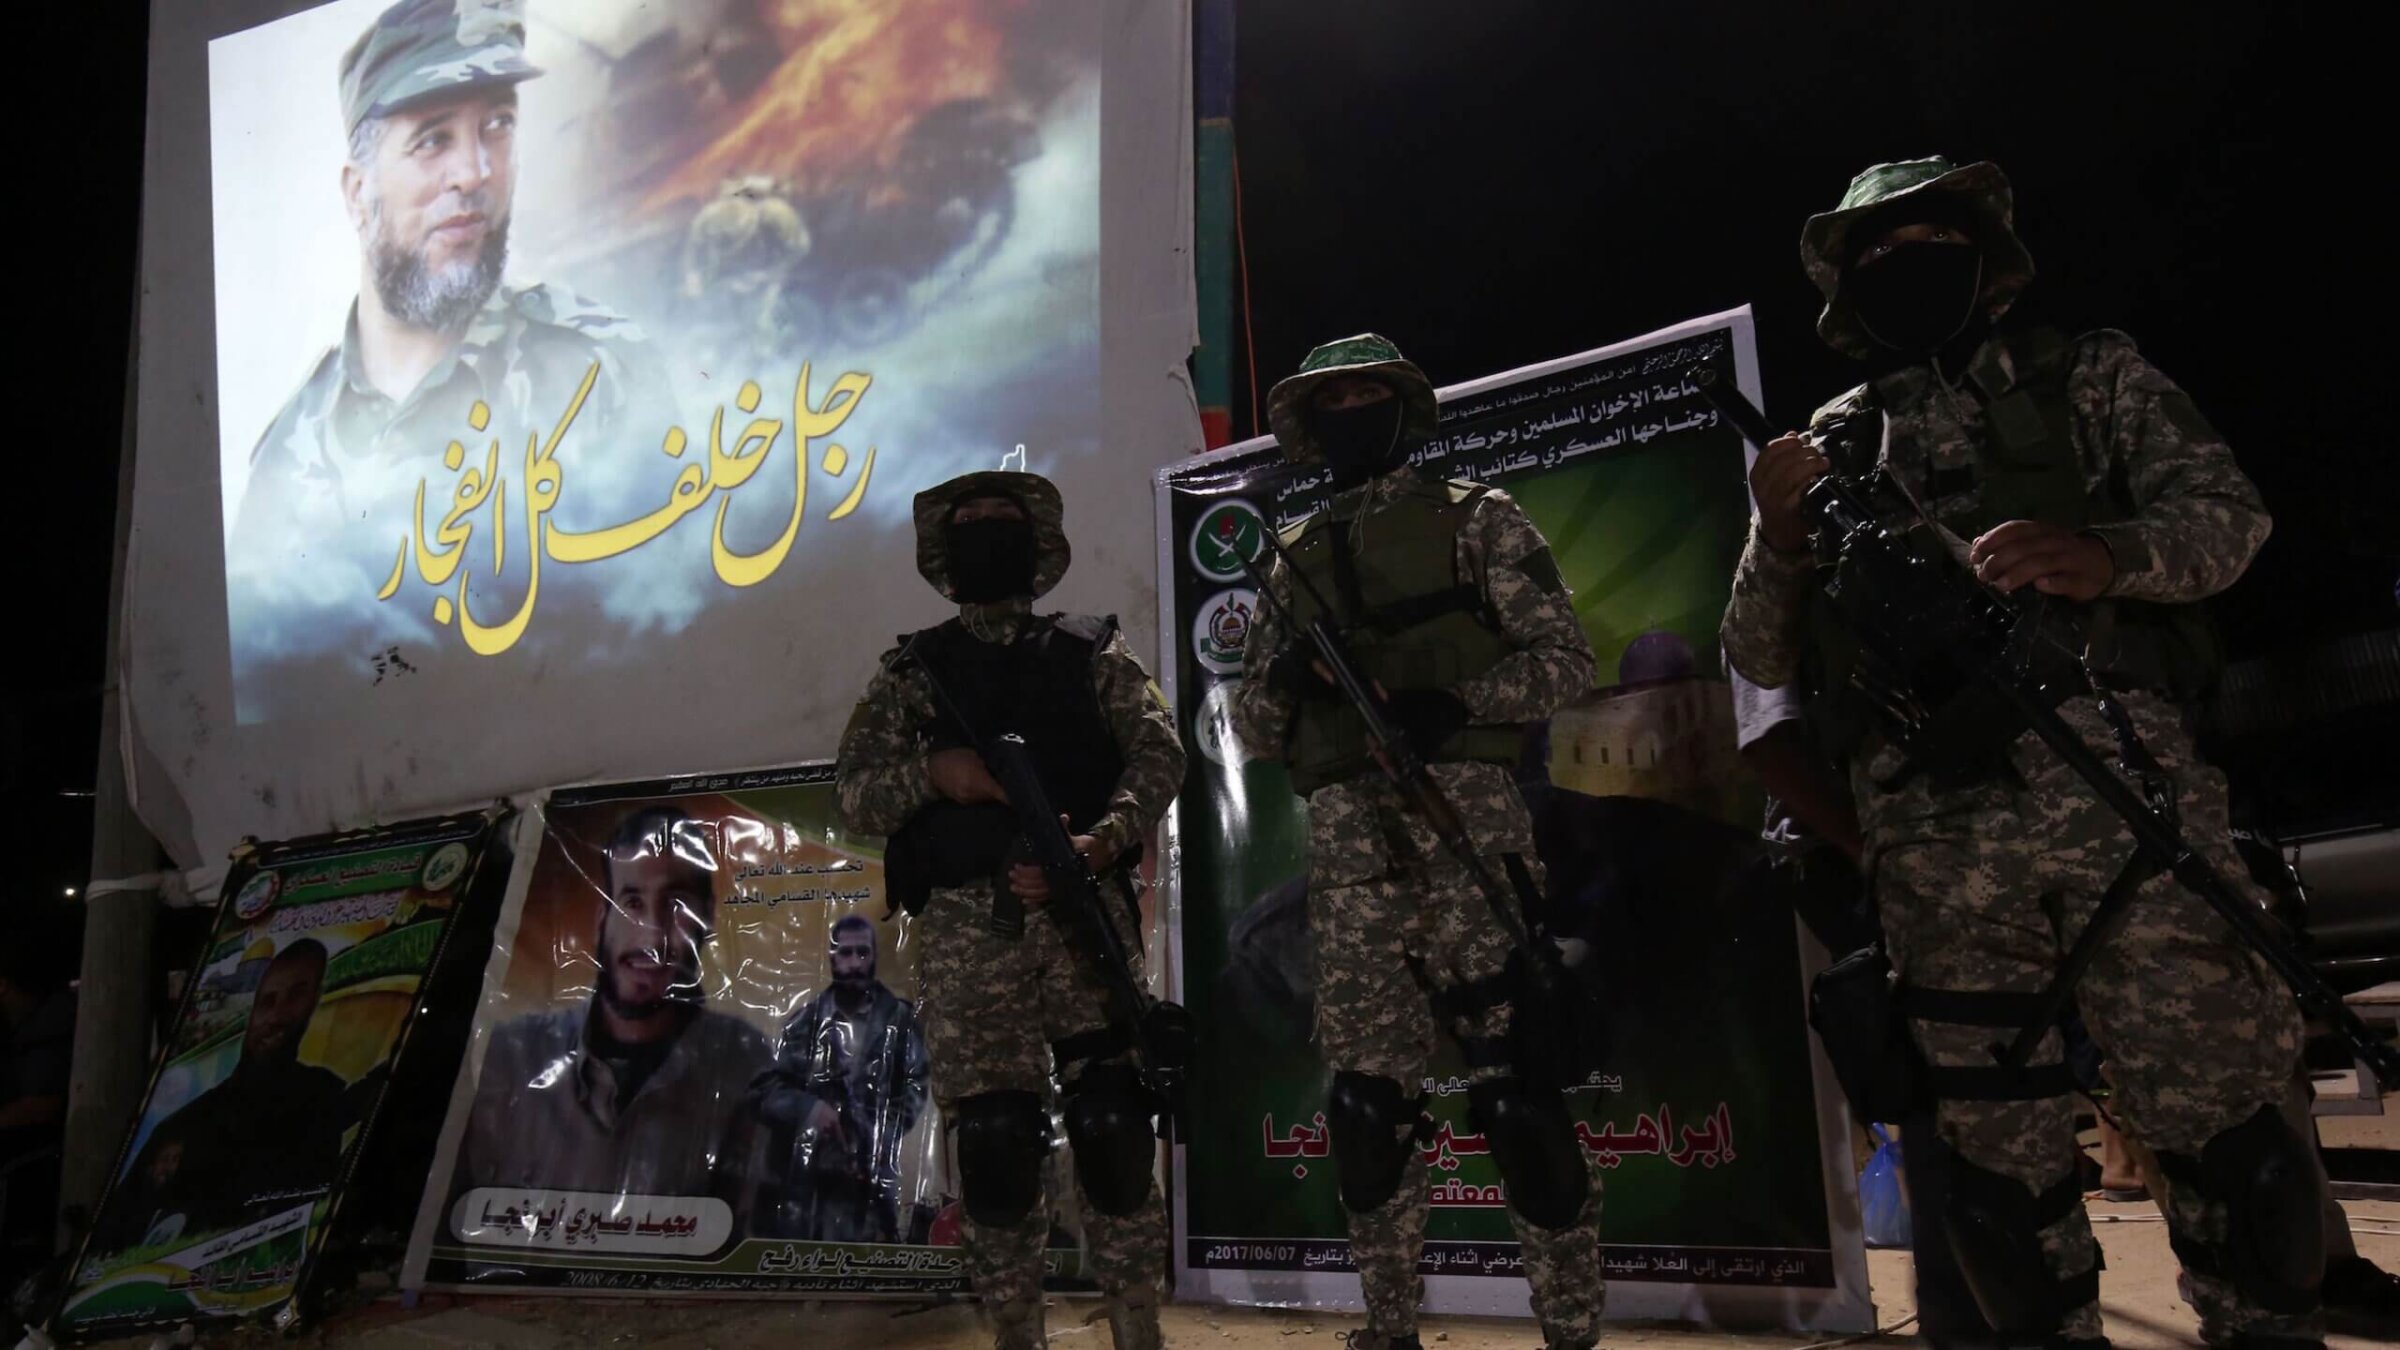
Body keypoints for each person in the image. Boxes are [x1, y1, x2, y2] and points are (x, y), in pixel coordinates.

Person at [1723, 157, 2326, 1348]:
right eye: (1877, 258)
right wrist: (1781, 538)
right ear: (1845, 290)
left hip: (2125, 803)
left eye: (1929, 242)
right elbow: (1752, 649)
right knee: (1997, 1185)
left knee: (2232, 1147)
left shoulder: (2090, 374)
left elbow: (2231, 520)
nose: (1905, 269)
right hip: (1938, 849)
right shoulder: (1832, 446)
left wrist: (2105, 554)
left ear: (1985, 258)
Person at [1229, 335, 1606, 1350]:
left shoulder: (1476, 517)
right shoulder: (1288, 556)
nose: (1353, 410)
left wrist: (1459, 702)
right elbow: (1253, 733)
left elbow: (1567, 658)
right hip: (1351, 856)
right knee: (1365, 1108)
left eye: (1368, 395)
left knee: (1519, 1094)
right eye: (1333, 400)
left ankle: (1571, 1327)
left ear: (1400, 408)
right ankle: (1389, 1326)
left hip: (1469, 832)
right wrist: (1286, 686)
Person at [836, 470, 1184, 1350]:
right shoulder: (914, 674)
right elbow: (857, 793)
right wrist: (935, 776)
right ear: (945, 553)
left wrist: (1100, 843)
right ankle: (1016, 1334)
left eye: (1004, 520)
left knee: (1111, 1125)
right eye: (971, 523)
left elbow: (1159, 753)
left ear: (1037, 546)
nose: (988, 533)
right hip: (964, 930)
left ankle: (1138, 1328)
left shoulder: (1091, 653)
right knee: (994, 1141)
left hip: (1080, 916)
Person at [229, 0, 669, 589]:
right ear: (358, 194)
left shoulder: (602, 368)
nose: (474, 172)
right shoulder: (288, 462)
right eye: (433, 140)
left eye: (498, 125)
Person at [454, 808, 770, 1206]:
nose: (651, 934)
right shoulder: (508, 1060)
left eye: (676, 905)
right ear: (602, 919)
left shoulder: (748, 1067)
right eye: (632, 902)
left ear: (705, 919)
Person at [125, 941, 352, 1234]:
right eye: (267, 1002)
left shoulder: (325, 1093)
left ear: (314, 1000)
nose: (277, 1017)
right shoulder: (180, 1124)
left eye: (296, 995)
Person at [753, 913, 931, 1243]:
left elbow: (916, 1081)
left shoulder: (900, 1019)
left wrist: (881, 1131)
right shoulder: (805, 1023)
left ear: (874, 955)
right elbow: (766, 1091)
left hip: (875, 1176)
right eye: (845, 953)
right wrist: (809, 1109)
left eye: (862, 953)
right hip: (813, 1183)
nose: (854, 963)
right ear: (832, 958)